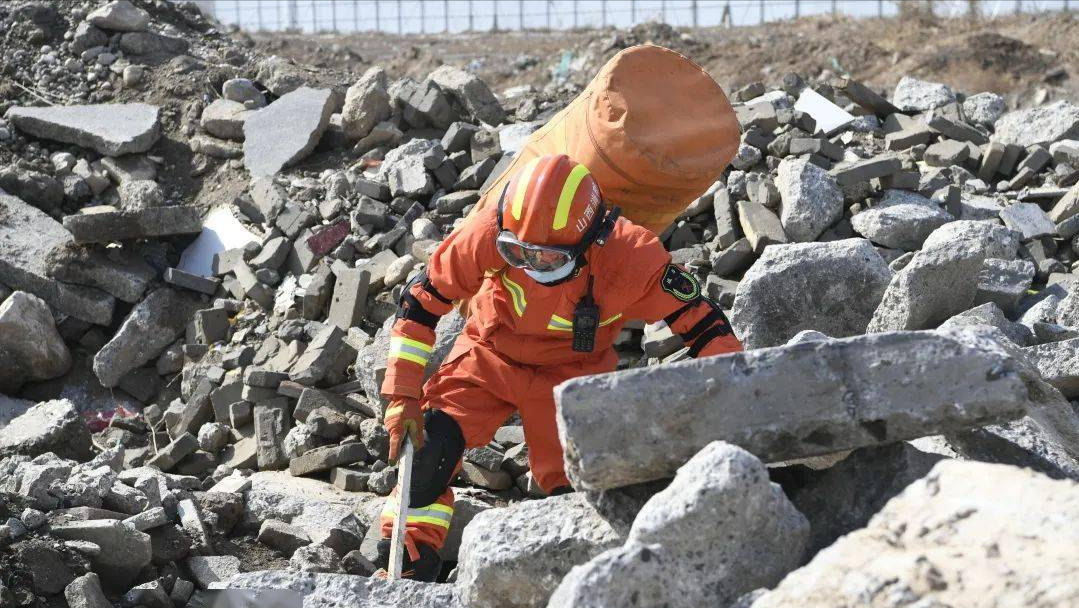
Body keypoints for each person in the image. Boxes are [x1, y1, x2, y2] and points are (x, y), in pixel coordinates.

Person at [375, 153, 742, 580]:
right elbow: (421, 303)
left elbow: (699, 320)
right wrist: (401, 396)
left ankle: (572, 579)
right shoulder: (490, 232)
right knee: (427, 450)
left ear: (591, 242)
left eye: (546, 258)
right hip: (488, 354)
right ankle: (408, 561)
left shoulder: (630, 256)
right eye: (517, 253)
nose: (529, 265)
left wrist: (737, 392)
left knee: (579, 495)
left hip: (572, 377)